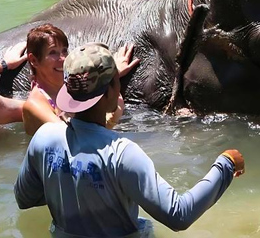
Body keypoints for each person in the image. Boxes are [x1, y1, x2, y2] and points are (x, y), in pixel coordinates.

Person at [14, 43, 245, 237]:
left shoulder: (44, 138)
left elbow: (24, 199)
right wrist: (225, 164)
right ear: (111, 91)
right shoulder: (122, 153)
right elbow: (179, 215)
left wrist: (70, 185)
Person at [21, 24, 140, 135]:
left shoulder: (69, 86)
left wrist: (112, 71)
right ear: (34, 60)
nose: (63, 59)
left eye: (64, 50)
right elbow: (73, 139)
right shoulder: (34, 105)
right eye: (53, 53)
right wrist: (112, 119)